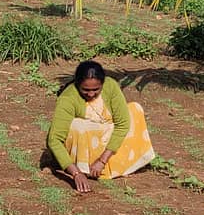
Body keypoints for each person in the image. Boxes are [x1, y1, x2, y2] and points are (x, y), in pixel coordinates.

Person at [47, 61, 155, 192]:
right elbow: (54, 140)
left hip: (106, 140)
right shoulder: (68, 98)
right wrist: (75, 173)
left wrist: (101, 161)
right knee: (78, 125)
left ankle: (112, 163)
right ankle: (84, 168)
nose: (91, 94)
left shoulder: (110, 86)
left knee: (134, 109)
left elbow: (122, 124)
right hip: (84, 142)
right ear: (77, 84)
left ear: (102, 84)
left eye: (96, 90)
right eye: (85, 90)